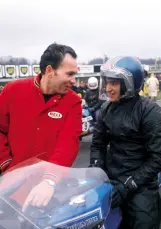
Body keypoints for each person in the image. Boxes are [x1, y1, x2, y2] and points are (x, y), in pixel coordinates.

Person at [0, 43, 82, 210]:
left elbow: (68, 143)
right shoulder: (12, 90)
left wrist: (49, 180)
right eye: (70, 74)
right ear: (50, 71)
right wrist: (7, 165)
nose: (74, 81)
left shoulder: (73, 102)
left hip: (50, 191)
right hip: (10, 187)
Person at [89, 56, 161, 229]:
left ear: (130, 83)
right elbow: (97, 144)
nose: (108, 88)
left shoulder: (149, 111)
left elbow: (157, 157)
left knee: (144, 222)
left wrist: (129, 185)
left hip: (140, 184)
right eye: (107, 82)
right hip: (111, 180)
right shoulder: (106, 109)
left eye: (114, 83)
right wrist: (96, 170)